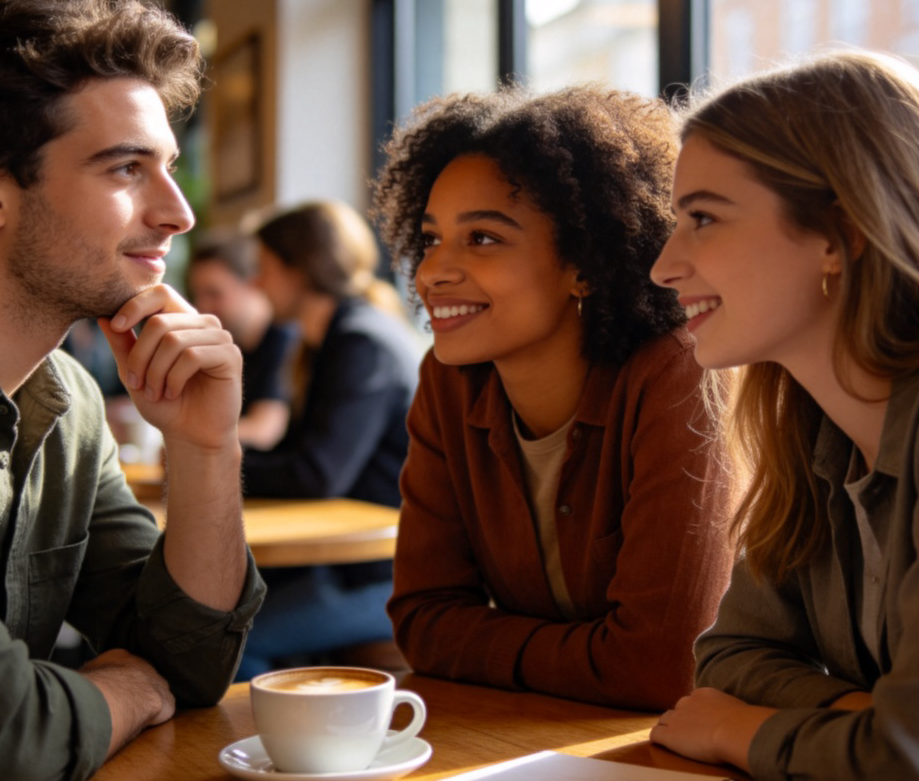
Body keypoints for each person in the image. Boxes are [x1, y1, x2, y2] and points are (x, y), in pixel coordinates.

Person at [0, 0, 265, 781]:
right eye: (124, 169)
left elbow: (192, 660)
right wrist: (131, 688)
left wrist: (205, 449)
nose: (178, 213)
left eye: (169, 166)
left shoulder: (60, 394)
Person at [371, 84, 734, 711]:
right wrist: (596, 655)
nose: (432, 273)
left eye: (482, 238)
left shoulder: (680, 373)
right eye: (431, 239)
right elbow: (421, 621)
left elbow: (663, 665)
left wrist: (486, 644)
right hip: (542, 744)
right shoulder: (449, 381)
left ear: (585, 265)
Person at [648, 50, 919, 781]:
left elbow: (912, 776)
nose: (665, 265)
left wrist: (747, 732)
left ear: (839, 234)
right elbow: (728, 657)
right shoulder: (809, 434)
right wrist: (864, 722)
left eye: (703, 217)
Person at [236, 199, 422, 679]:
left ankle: (264, 751)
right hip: (352, 566)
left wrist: (217, 466)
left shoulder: (362, 343)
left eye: (264, 268)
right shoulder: (333, 339)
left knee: (228, 643)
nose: (255, 283)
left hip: (390, 579)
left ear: (300, 270)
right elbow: (301, 458)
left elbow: (318, 474)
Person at [187, 229, 296, 450]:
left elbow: (264, 429)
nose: (203, 307)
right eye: (197, 294)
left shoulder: (284, 339)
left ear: (253, 284)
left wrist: (186, 435)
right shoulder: (233, 345)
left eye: (214, 293)